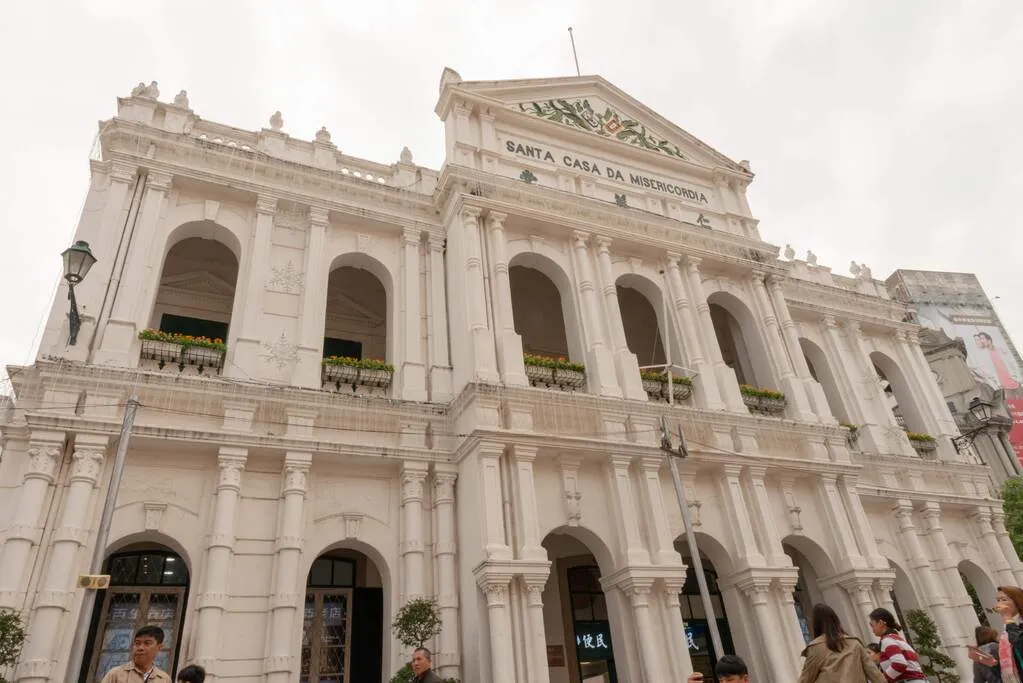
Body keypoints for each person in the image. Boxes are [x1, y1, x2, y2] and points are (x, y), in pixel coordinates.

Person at [798, 603, 885, 683]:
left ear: (815, 624)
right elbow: (875, 675)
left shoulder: (816, 648)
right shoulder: (854, 643)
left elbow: (805, 679)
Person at [868, 607, 926, 682]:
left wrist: (882, 679)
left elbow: (899, 664)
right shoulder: (896, 638)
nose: (872, 629)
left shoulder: (887, 640)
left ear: (881, 623)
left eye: (872, 625)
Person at [100, 625, 172, 682]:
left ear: (159, 647)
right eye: (137, 643)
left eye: (147, 643)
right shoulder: (116, 674)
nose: (140, 648)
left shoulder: (164, 679)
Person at [994, 586, 1023, 682]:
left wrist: (1007, 617)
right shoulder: (1012, 627)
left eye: (1003, 600)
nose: (999, 604)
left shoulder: (1012, 626)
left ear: (1017, 601)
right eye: (998, 600)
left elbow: (1019, 643)